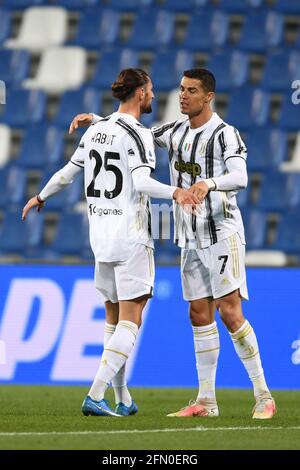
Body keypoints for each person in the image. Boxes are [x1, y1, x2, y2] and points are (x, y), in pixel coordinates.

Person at [69, 68, 276, 420]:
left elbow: (240, 176)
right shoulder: (174, 130)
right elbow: (133, 131)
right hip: (189, 238)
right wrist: (100, 119)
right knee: (198, 314)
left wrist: (208, 184)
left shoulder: (226, 134)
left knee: (229, 310)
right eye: (181, 89)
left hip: (222, 232)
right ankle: (206, 401)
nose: (182, 96)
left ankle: (263, 395)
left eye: (191, 91)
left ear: (208, 96)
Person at [22, 68, 198, 418]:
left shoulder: (96, 130)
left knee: (113, 319)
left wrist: (40, 197)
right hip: (131, 237)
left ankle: (123, 398)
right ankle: (96, 394)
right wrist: (176, 191)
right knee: (131, 322)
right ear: (139, 94)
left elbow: (66, 174)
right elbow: (143, 183)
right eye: (150, 90)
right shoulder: (139, 135)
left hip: (99, 239)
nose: (153, 96)